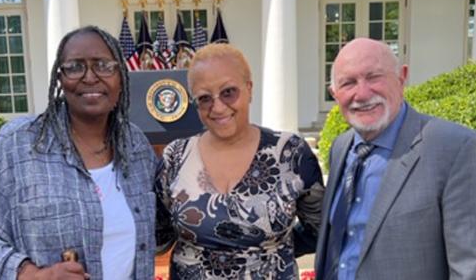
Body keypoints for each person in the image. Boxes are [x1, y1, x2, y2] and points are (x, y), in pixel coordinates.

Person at [0, 26, 157, 279]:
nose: (90, 77)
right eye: (75, 67)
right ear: (60, 77)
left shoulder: (136, 146)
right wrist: (30, 274)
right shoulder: (19, 144)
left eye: (104, 65)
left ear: (121, 76)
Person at [155, 43, 325, 279]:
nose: (218, 107)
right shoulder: (176, 156)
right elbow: (157, 236)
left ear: (249, 88)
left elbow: (319, 228)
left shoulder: (290, 153)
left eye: (228, 92)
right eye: (204, 98)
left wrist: (271, 251)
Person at [315, 38, 476, 279]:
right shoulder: (341, 147)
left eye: (374, 77)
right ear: (334, 94)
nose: (362, 93)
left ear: (402, 77)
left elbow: (468, 268)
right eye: (348, 83)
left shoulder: (455, 148)